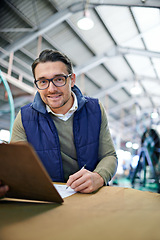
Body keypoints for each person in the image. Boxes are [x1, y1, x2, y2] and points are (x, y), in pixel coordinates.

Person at [0, 49, 117, 197]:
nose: (51, 89)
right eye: (43, 81)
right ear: (36, 84)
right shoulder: (24, 117)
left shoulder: (95, 109)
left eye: (59, 79)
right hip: (47, 199)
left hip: (89, 197)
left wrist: (99, 177)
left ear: (72, 79)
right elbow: (17, 166)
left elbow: (109, 155)